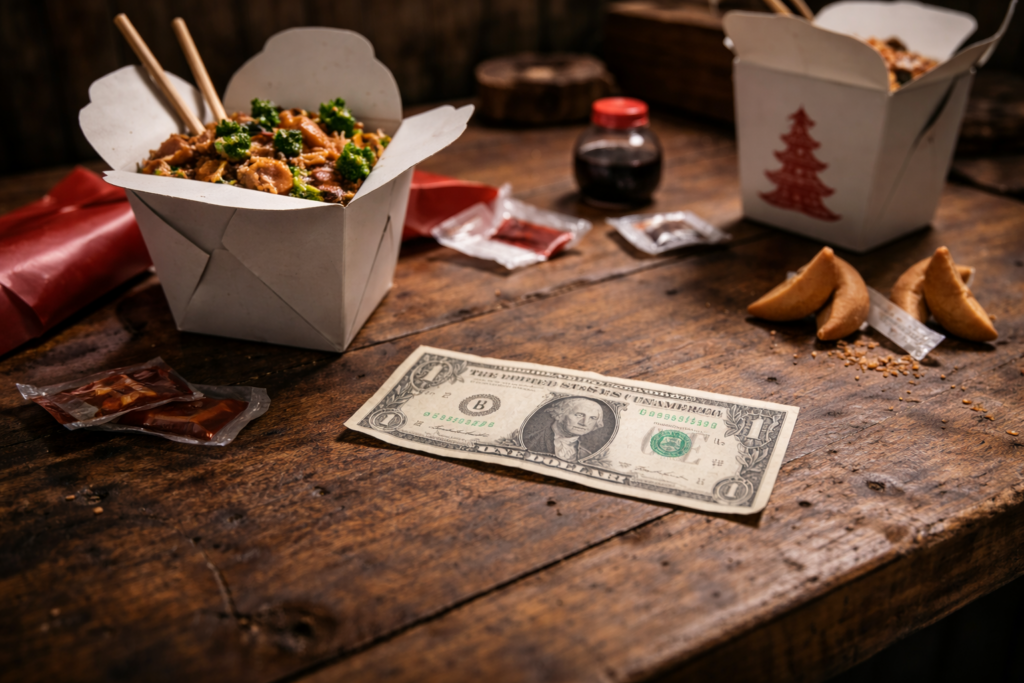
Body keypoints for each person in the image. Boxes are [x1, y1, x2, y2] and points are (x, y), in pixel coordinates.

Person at [523, 397, 607, 462]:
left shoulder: (586, 455)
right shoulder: (530, 440)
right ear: (560, 414)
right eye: (579, 415)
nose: (584, 423)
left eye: (592, 418)